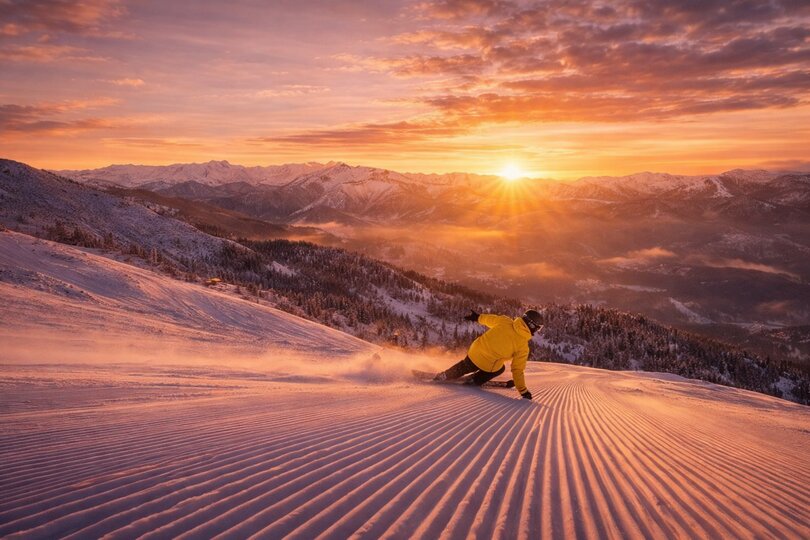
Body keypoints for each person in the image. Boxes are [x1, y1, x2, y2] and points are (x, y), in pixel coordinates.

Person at [435, 309, 543, 400]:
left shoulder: (505, 321)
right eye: (538, 328)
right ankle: (474, 380)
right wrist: (523, 390)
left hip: (475, 351)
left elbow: (488, 319)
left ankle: (446, 375)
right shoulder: (523, 347)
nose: (537, 331)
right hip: (487, 364)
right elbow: (517, 370)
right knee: (500, 368)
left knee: (465, 365)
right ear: (531, 325)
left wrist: (476, 317)